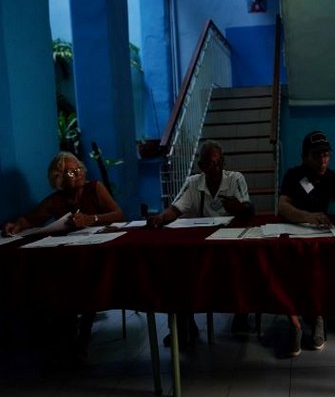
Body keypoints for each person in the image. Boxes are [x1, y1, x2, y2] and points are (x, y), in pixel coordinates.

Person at [2, 151, 125, 361]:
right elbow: (31, 218)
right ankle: (64, 337)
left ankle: (81, 339)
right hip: (71, 256)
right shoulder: (56, 200)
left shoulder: (94, 188)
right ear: (58, 179)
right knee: (56, 280)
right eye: (70, 173)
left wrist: (91, 218)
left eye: (79, 170)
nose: (78, 174)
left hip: (97, 253)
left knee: (88, 280)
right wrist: (17, 224)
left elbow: (119, 215)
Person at [147, 139, 254, 344]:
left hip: (231, 242)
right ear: (201, 166)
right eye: (209, 164)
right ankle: (185, 323)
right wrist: (160, 218)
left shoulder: (235, 179)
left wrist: (238, 208)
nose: (214, 168)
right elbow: (176, 209)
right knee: (180, 269)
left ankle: (242, 311)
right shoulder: (194, 182)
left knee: (243, 262)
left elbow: (249, 210)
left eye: (218, 163)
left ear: (223, 162)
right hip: (204, 244)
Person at [278, 130, 335, 357]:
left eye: (326, 155)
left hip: (319, 240)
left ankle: (318, 316)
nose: (323, 161)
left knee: (323, 269)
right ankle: (295, 323)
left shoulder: (332, 177)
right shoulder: (293, 175)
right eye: (317, 156)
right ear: (304, 156)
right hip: (293, 237)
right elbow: (283, 207)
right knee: (286, 271)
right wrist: (308, 216)